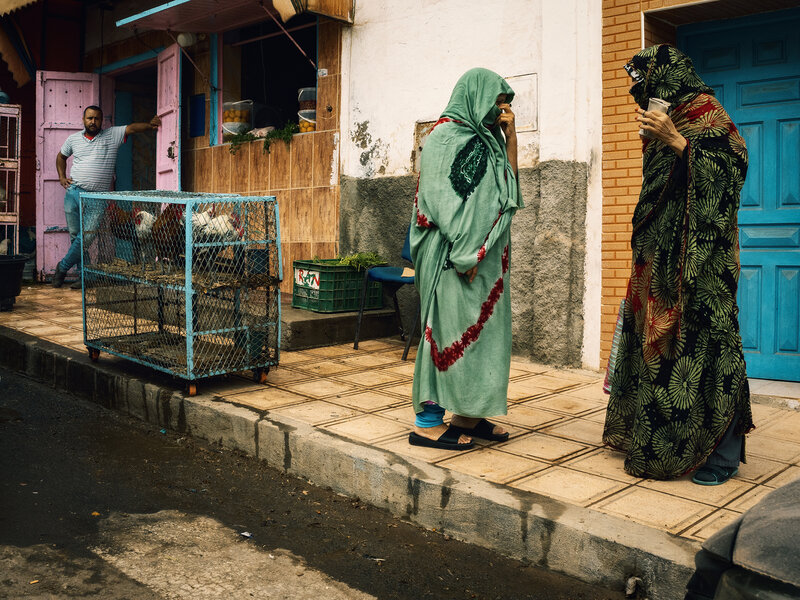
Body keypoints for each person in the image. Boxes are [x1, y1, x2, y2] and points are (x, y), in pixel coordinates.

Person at [603, 45, 753, 484]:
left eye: (641, 79)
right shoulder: (662, 116)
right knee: (661, 344)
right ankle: (663, 438)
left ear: (666, 77)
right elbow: (656, 188)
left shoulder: (706, 112)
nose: (635, 89)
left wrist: (676, 140)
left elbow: (733, 171)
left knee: (713, 343)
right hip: (658, 255)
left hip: (702, 259)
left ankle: (723, 455)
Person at [409, 68, 522, 451]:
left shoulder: (488, 140)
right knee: (446, 332)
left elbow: (509, 186)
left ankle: (468, 414)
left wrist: (510, 136)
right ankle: (427, 423)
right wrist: (465, 253)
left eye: (504, 105)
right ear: (474, 98)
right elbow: (442, 201)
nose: (500, 111)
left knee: (485, 338)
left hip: (484, 258)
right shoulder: (443, 137)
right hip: (454, 256)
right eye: (495, 102)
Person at [52, 106, 160, 289]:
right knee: (75, 235)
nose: (93, 122)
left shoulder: (112, 135)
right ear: (83, 119)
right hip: (73, 192)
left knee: (86, 237)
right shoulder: (73, 139)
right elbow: (61, 157)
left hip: (97, 197)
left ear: (101, 120)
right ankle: (84, 276)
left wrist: (150, 125)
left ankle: (62, 267)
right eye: (89, 118)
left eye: (96, 118)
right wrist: (62, 177)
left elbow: (132, 128)